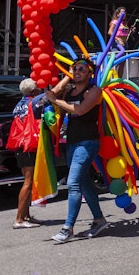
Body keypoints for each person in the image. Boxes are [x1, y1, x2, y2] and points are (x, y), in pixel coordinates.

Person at [45, 58, 109, 243]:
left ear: (90, 73)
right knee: (83, 183)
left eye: (82, 69)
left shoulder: (94, 91)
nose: (77, 72)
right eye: (75, 69)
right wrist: (67, 75)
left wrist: (56, 100)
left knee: (73, 183)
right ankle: (99, 219)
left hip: (87, 143)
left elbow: (80, 110)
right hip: (72, 142)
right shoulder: (70, 90)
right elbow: (52, 93)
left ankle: (68, 228)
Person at [9, 78, 47, 229]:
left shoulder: (19, 104)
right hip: (28, 145)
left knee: (28, 180)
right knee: (28, 182)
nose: (40, 89)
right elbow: (50, 95)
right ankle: (19, 219)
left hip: (19, 145)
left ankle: (26, 216)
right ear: (33, 91)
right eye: (38, 88)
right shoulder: (33, 102)